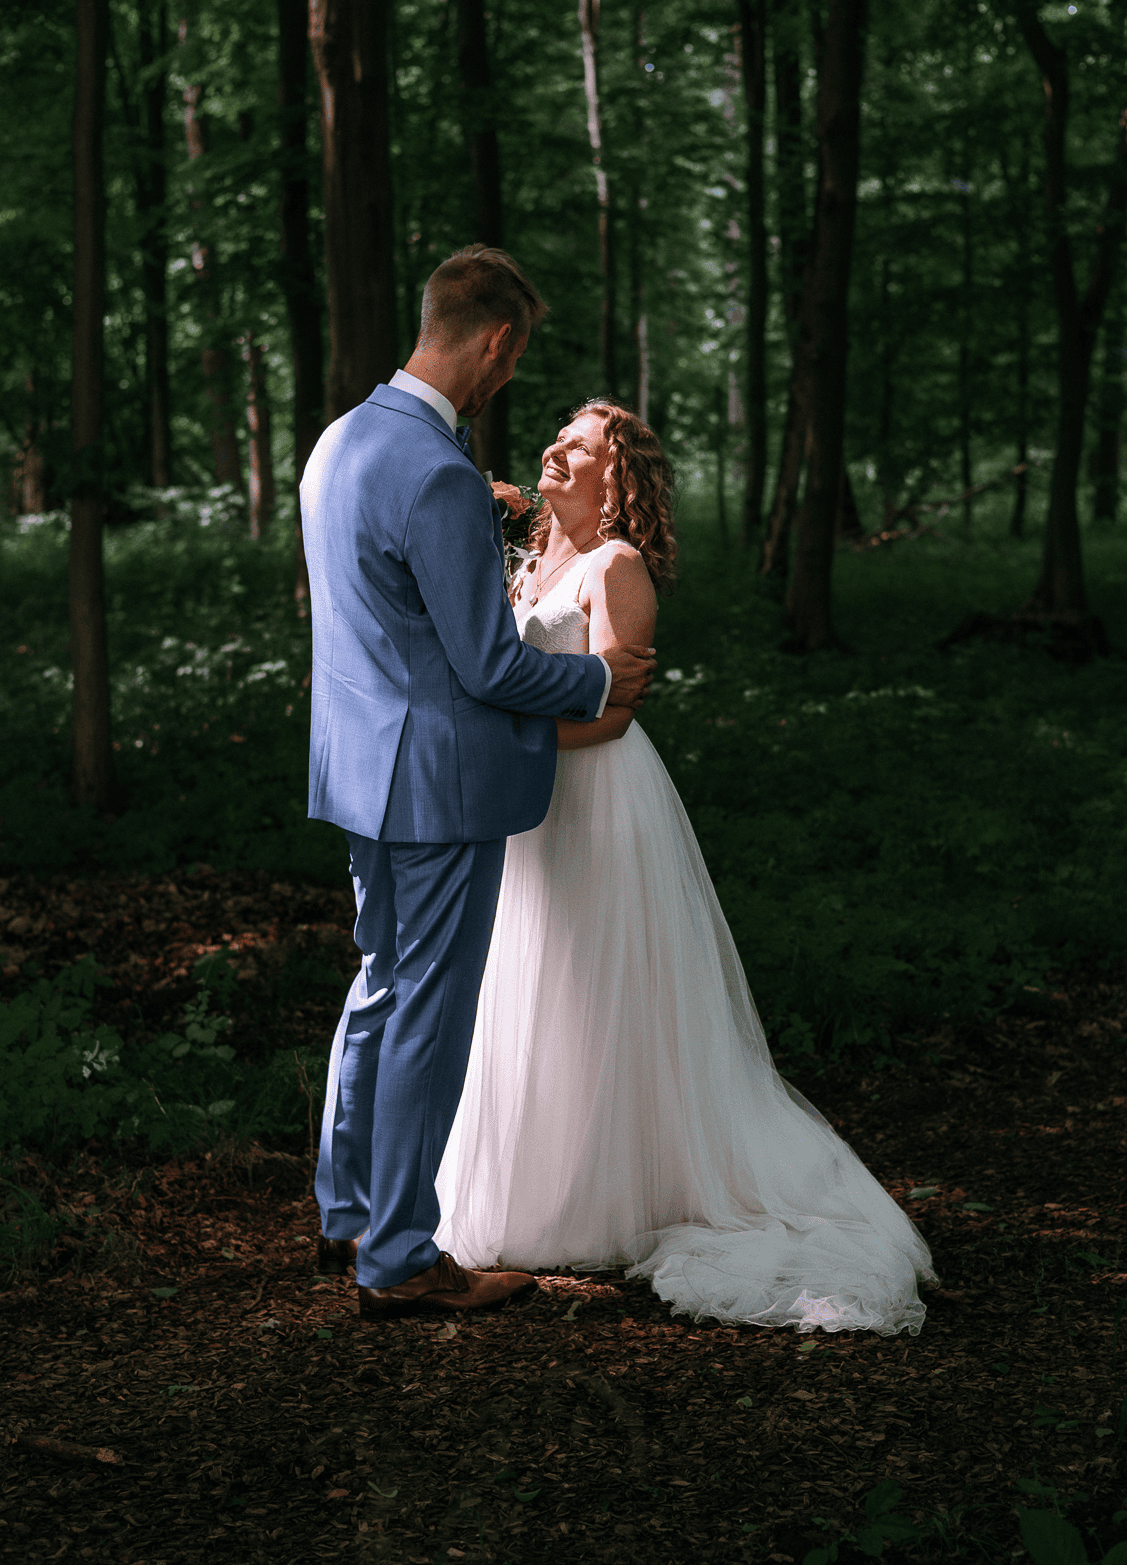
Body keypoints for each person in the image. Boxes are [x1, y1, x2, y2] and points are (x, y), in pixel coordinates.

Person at [436, 401, 936, 1334]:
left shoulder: (615, 568)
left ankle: (624, 1189)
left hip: (596, 801)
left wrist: (507, 741)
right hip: (527, 811)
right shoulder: (529, 560)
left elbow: (613, 712)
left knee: (599, 993)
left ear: (613, 476)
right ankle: (541, 1188)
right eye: (557, 434)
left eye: (577, 445)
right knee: (532, 987)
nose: (555, 447)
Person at [300, 250, 657, 1319]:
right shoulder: (438, 472)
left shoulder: (341, 444)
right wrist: (600, 672)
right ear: (496, 343)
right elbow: (488, 666)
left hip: (359, 769)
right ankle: (402, 1256)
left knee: (378, 987)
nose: (510, 379)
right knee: (429, 1011)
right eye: (516, 359)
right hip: (442, 781)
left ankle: (347, 1212)